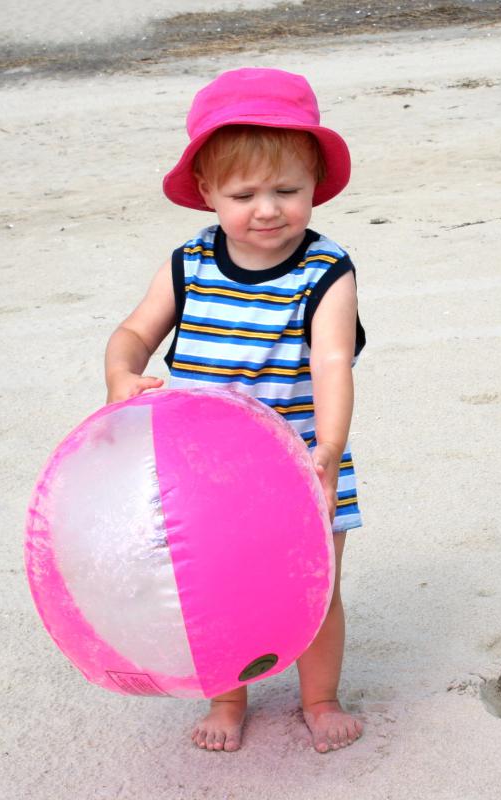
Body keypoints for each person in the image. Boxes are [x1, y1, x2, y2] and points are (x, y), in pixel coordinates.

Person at [103, 67, 366, 754]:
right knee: (217, 588)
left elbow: (331, 362)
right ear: (207, 195)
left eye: (288, 190)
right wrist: (121, 374)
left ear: (314, 186)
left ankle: (320, 695)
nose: (269, 209)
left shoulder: (326, 270)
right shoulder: (189, 264)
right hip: (204, 468)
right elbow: (133, 333)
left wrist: (329, 454)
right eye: (244, 194)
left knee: (316, 589)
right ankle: (227, 699)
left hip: (304, 459)